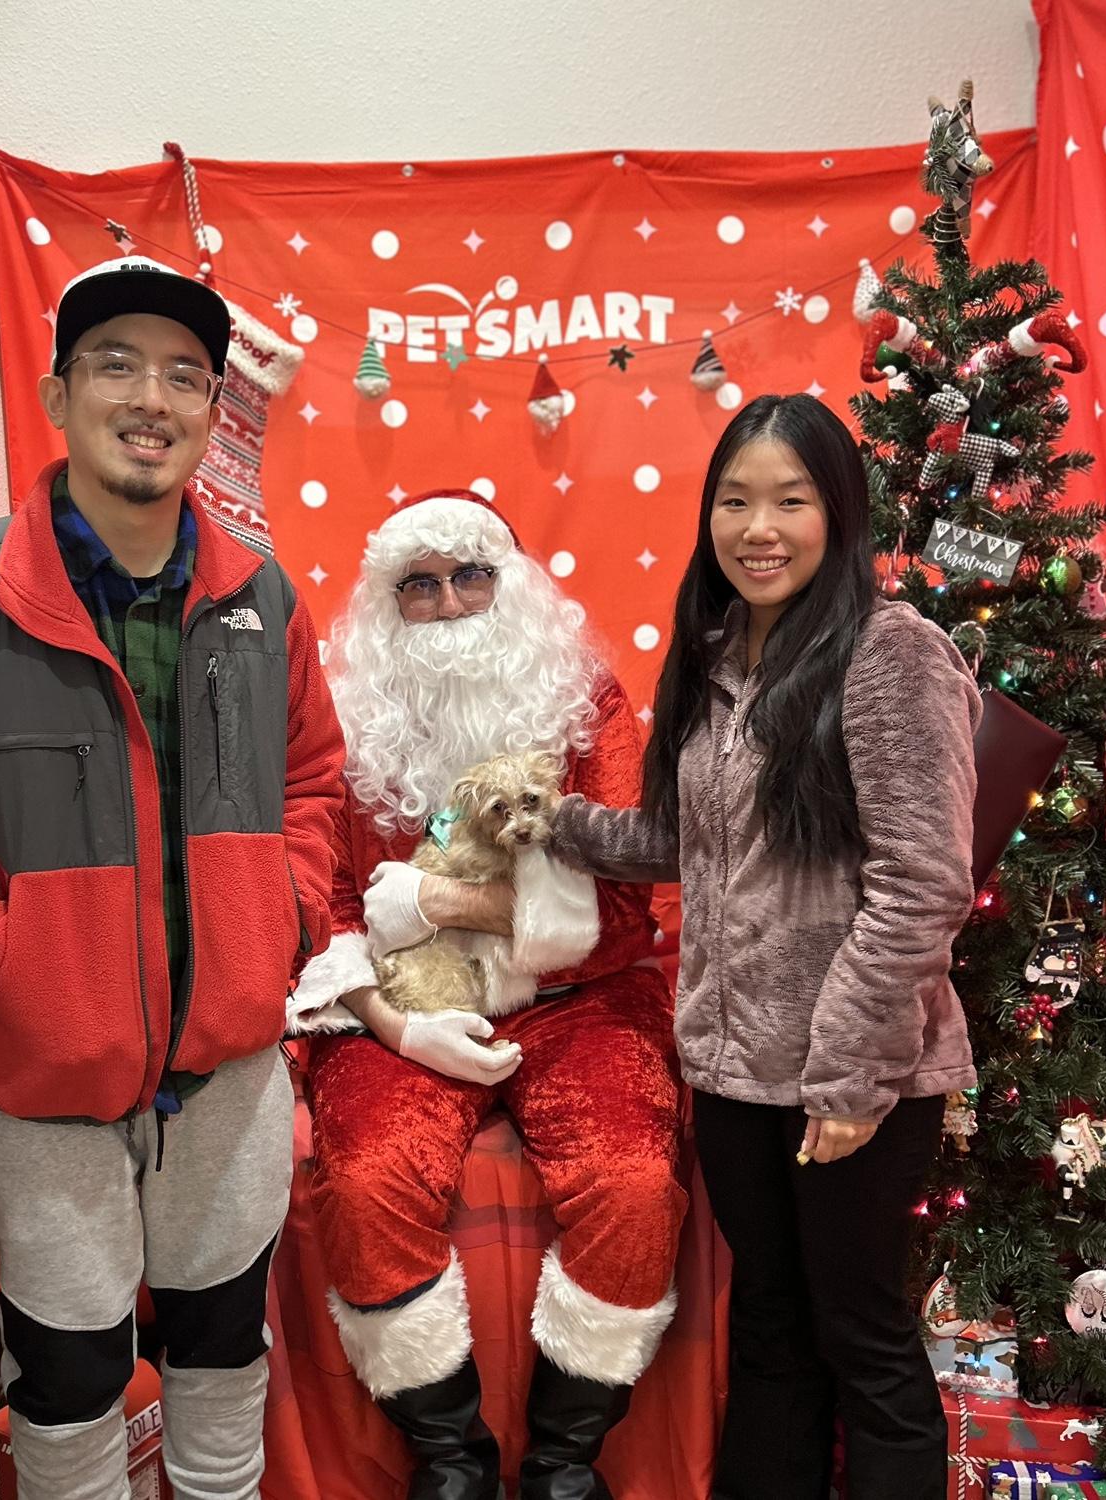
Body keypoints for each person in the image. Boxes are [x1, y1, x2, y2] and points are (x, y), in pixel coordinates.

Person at [0, 256, 344, 1500]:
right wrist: (4, 968)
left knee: (222, 1353)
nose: (151, 399)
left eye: (185, 376)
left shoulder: (263, 601)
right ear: (59, 396)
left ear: (211, 413)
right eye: (117, 365)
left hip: (229, 1081)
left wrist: (285, 916)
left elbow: (315, 784)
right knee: (65, 1384)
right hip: (45, 1098)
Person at [549, 394, 981, 1500]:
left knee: (861, 1335)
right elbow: (684, 842)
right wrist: (549, 822)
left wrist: (848, 1073)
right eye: (735, 501)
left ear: (838, 511)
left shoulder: (890, 654)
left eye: (790, 500)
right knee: (772, 1330)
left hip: (858, 1082)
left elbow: (922, 884)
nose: (759, 529)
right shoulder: (711, 655)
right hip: (736, 1073)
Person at [288, 487, 686, 1500]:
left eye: (471, 575)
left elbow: (629, 902)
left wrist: (445, 901)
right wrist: (393, 1026)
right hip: (401, 1000)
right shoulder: (346, 719)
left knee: (635, 1183)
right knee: (367, 1180)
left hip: (579, 998)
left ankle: (564, 1465)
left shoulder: (585, 704)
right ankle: (449, 1461)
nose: (450, 603)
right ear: (386, 607)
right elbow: (326, 902)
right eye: (419, 585)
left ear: (513, 586)